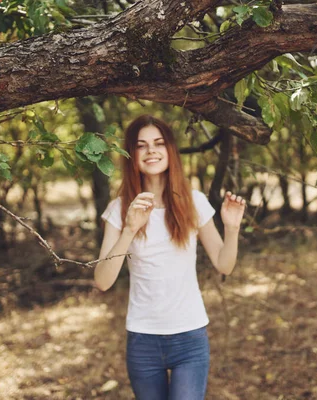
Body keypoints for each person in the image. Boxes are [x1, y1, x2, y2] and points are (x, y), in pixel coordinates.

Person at [94, 114, 245, 400]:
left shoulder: (194, 201)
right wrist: (129, 229)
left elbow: (223, 264)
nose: (151, 150)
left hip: (189, 336)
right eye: (141, 145)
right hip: (142, 339)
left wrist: (232, 228)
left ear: (170, 150)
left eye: (158, 143)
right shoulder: (119, 209)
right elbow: (102, 281)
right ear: (132, 154)